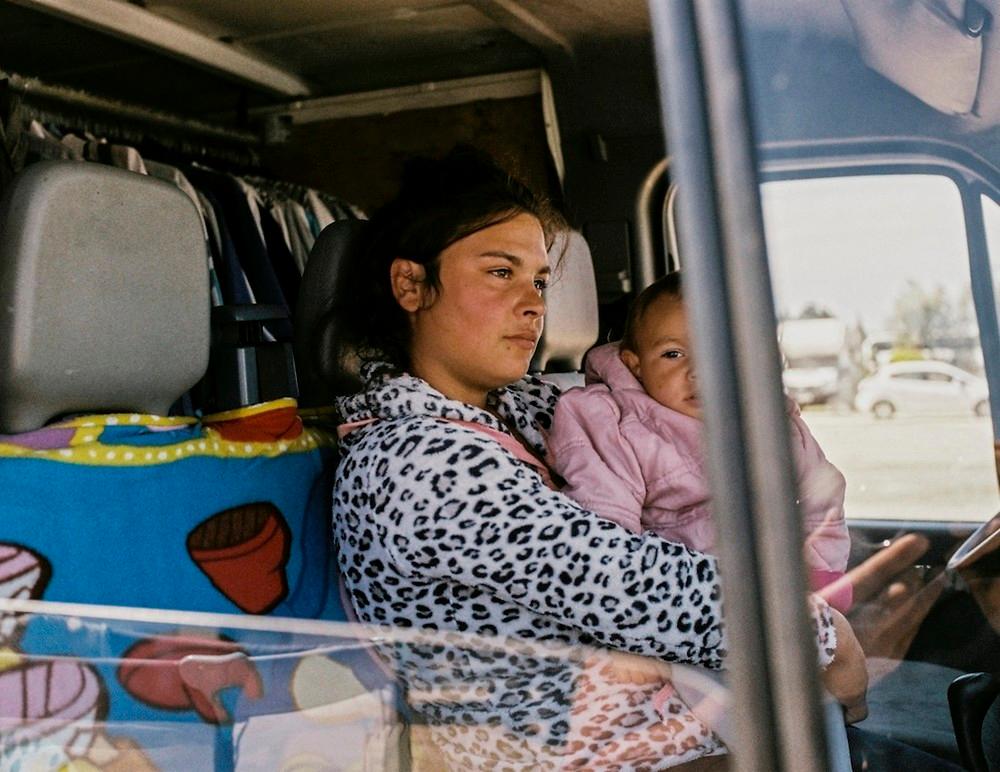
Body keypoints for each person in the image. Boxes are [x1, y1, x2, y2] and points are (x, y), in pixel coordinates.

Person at [325, 146, 866, 770]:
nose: (534, 304)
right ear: (412, 285)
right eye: (500, 273)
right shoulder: (411, 462)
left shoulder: (524, 406)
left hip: (667, 716)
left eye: (539, 281)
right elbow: (626, 583)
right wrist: (823, 636)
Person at [546, 273, 853, 613]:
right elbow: (608, 536)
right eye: (673, 354)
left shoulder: (772, 423)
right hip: (680, 605)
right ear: (636, 365)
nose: (699, 370)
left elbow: (821, 498)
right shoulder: (609, 421)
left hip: (772, 596)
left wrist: (819, 573)